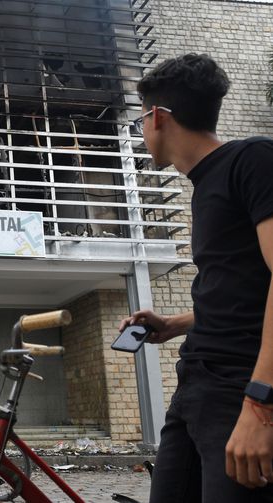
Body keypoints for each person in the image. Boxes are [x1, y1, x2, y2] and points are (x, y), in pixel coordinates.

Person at [119, 53, 273, 502]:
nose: (141, 133)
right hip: (194, 387)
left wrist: (261, 404)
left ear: (160, 117)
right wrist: (175, 324)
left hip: (238, 389)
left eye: (140, 120)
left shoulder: (253, 159)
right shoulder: (208, 185)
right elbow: (244, 293)